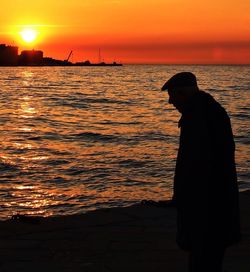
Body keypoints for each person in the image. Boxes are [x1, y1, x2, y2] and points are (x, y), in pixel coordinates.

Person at [161, 72, 241, 272]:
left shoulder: (196, 117)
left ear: (183, 93)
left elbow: (195, 164)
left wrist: (183, 198)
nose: (170, 102)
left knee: (202, 260)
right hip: (215, 205)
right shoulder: (209, 111)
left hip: (206, 208)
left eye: (172, 96)